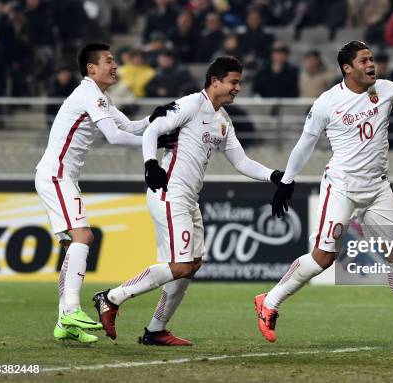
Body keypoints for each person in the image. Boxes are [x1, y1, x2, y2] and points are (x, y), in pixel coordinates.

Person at [254, 41, 393, 347]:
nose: (371, 64)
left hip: (377, 188)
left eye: (372, 59)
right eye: (364, 61)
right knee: (323, 258)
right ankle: (268, 301)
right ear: (347, 68)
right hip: (342, 187)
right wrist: (287, 181)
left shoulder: (386, 89)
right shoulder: (327, 102)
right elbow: (305, 142)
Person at [92, 56, 285, 346]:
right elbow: (154, 129)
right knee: (180, 265)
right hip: (169, 193)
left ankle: (156, 329)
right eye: (233, 82)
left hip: (188, 198)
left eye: (239, 82)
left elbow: (242, 162)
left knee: (191, 264)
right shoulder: (191, 104)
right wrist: (150, 164)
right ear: (215, 81)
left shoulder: (222, 120)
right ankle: (110, 298)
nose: (238, 88)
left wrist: (275, 176)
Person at [35, 42, 176, 344]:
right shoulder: (88, 93)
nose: (116, 66)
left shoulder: (99, 96)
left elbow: (130, 125)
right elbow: (114, 137)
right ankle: (72, 309)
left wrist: (156, 120)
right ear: (91, 68)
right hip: (56, 175)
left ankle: (64, 322)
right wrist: (156, 143)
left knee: (77, 242)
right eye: (110, 61)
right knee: (84, 237)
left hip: (63, 177)